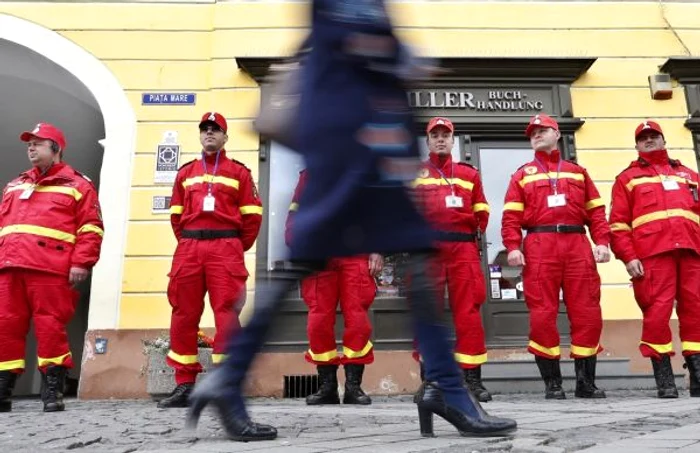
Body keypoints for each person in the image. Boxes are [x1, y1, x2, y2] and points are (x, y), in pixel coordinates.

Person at [185, 0, 516, 442]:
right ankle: (446, 388)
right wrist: (405, 60)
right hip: (359, 144)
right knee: (412, 258)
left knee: (321, 261)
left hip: (356, 142)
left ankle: (228, 379)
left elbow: (328, 53)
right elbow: (360, 49)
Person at [501, 113, 611, 399]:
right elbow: (510, 217)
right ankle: (553, 383)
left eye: (542, 130)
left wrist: (602, 242)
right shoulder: (522, 175)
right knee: (542, 316)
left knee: (587, 313)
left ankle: (585, 383)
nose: (536, 134)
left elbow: (597, 212)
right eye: (532, 132)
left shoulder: (578, 172)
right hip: (539, 245)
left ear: (557, 133)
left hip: (577, 244)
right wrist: (513, 246)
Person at [157, 112, 263, 408]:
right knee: (183, 313)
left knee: (226, 312)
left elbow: (253, 216)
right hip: (190, 246)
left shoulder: (239, 172)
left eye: (215, 130)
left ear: (225, 137)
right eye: (205, 129)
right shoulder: (186, 172)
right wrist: (191, 240)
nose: (209, 134)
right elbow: (176, 215)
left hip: (225, 247)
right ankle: (184, 386)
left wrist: (233, 245)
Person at [0, 123, 103, 412]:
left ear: (56, 149)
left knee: (50, 328)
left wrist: (82, 262)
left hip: (49, 269)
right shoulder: (14, 185)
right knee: (5, 327)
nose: (31, 148)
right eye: (28, 145)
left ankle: (52, 391)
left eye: (38, 143)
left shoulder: (78, 186)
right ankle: (3, 390)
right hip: (10, 268)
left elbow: (91, 228)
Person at [609, 120, 700, 398]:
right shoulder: (627, 179)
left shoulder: (689, 175)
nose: (649, 140)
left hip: (691, 252)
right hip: (652, 256)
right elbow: (618, 225)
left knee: (696, 312)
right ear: (636, 145)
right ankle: (665, 380)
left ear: (663, 139)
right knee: (657, 314)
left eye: (653, 136)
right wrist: (628, 257)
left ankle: (697, 375)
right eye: (643, 138)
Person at [286, 170, 383, 405]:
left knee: (358, 322)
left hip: (356, 256)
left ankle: (353, 388)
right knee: (318, 322)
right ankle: (327, 387)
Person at [413, 116, 492, 402]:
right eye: (435, 135)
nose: (441, 139)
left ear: (453, 140)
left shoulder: (469, 174)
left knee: (468, 313)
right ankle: (430, 381)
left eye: (446, 135)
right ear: (428, 141)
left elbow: (482, 213)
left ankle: (472, 380)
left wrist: (459, 220)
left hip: (463, 250)